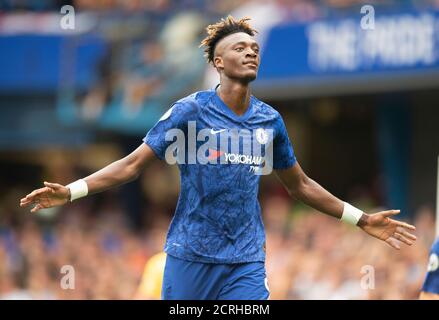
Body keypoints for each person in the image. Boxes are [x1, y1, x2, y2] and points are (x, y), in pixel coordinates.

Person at [20, 16, 417, 300]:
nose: (250, 53)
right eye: (239, 48)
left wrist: (361, 218)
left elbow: (301, 185)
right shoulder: (189, 110)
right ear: (218, 62)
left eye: (254, 48)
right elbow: (131, 165)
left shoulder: (269, 120)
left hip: (244, 261)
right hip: (189, 257)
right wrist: (70, 191)